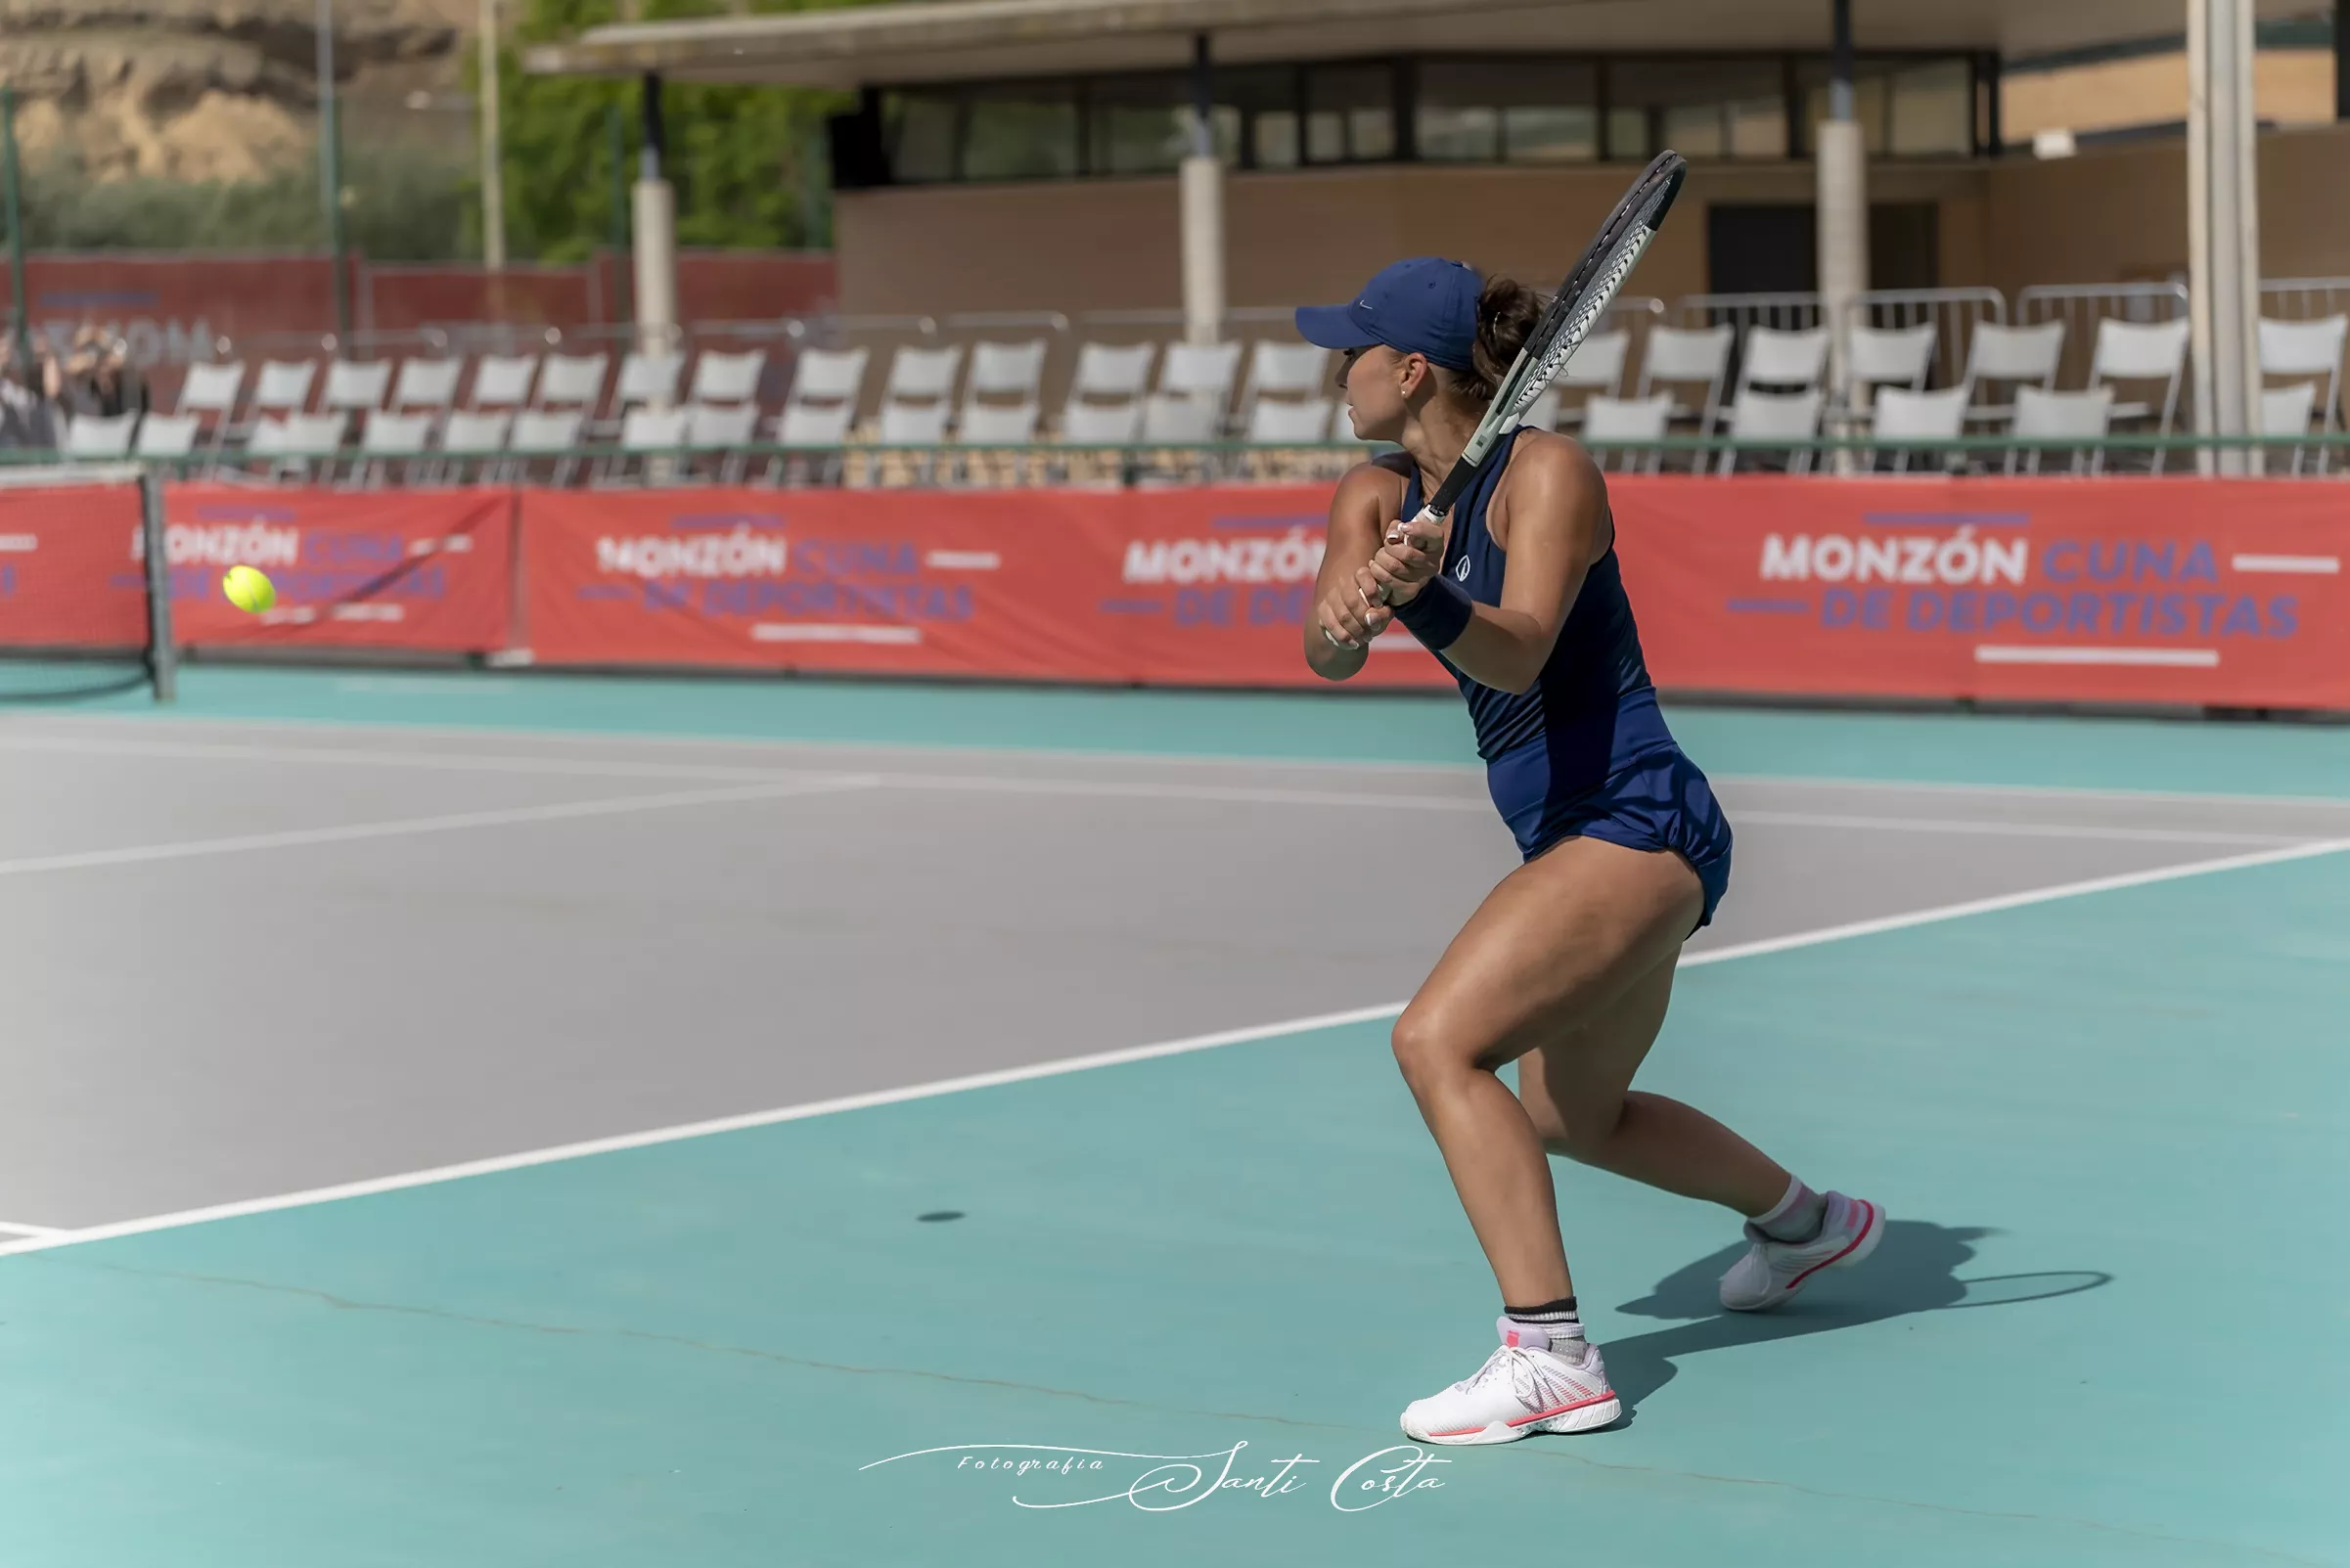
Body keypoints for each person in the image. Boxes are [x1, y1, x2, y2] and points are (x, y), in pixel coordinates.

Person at [1294, 257, 1882, 1448]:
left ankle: (1550, 1354)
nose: (1329, 371)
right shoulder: (1368, 490)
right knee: (1572, 1115)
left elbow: (1513, 653)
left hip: (1635, 817)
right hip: (1566, 837)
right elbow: (1322, 650)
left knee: (1436, 1043)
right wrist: (1357, 609)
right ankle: (1804, 1221)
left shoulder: (1547, 474)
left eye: (1347, 351)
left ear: (1410, 370)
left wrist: (1428, 601)